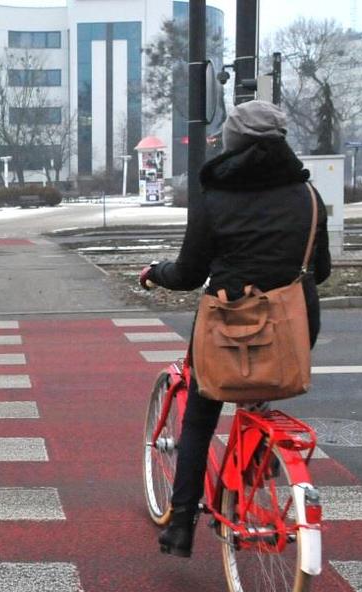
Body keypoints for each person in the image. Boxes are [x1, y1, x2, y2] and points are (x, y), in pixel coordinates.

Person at [140, 100, 331, 557]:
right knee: (262, 392)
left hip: (229, 324)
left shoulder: (215, 196)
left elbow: (189, 272)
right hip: (293, 325)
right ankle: (253, 469)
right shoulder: (308, 197)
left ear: (233, 143)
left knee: (201, 418)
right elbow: (319, 270)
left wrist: (155, 272)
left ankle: (181, 524)